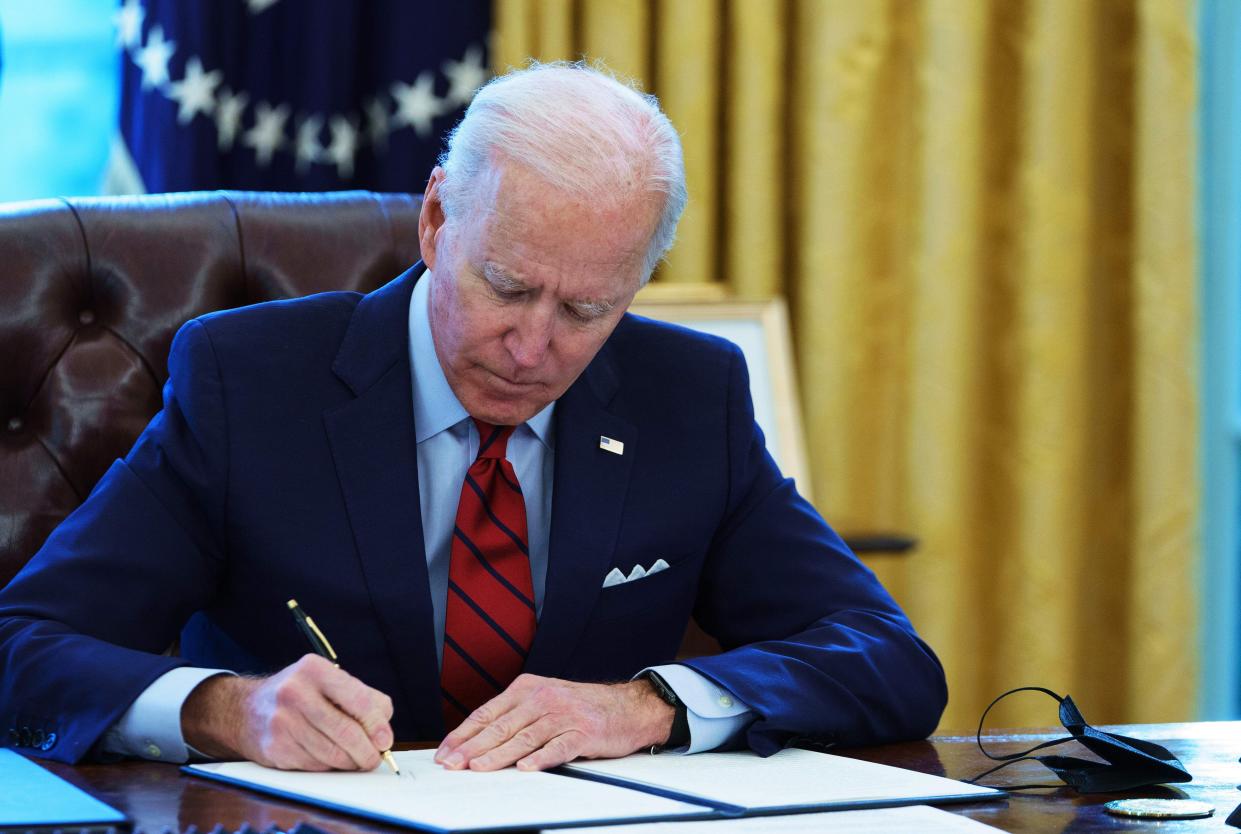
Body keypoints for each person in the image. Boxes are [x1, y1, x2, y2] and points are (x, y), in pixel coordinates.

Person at [0, 62, 946, 772]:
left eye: (585, 311)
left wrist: (651, 705)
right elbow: (25, 644)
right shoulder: (248, 383)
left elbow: (886, 660)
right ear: (436, 220)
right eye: (506, 286)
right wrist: (221, 709)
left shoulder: (688, 397)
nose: (532, 348)